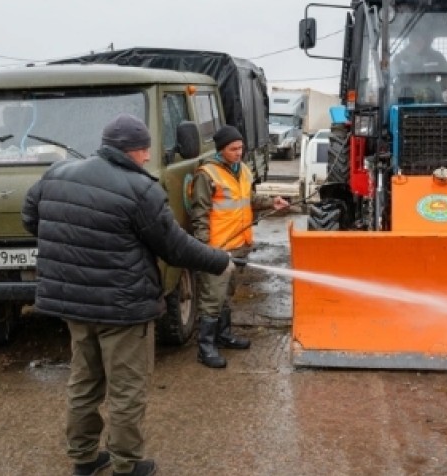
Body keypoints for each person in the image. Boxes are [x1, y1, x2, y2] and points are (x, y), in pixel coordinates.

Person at [22, 114, 234, 476]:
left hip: (74, 304)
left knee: (84, 381)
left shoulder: (57, 174)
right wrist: (220, 261)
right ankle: (126, 465)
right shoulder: (140, 189)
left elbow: (30, 219)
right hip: (123, 310)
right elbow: (175, 248)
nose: (146, 157)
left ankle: (84, 459)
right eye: (146, 150)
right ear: (136, 150)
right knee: (126, 390)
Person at [189, 125, 289, 369]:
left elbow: (249, 200)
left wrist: (270, 202)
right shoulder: (206, 175)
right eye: (233, 149)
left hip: (238, 244)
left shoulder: (243, 170)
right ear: (221, 150)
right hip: (217, 247)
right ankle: (206, 348)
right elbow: (199, 214)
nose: (239, 153)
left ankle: (223, 336)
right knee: (212, 297)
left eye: (241, 148)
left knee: (226, 294)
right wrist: (205, 249)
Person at [390, 27, 447, 102]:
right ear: (411, 40)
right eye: (415, 39)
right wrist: (398, 88)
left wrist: (437, 88)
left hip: (430, 100)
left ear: (425, 40)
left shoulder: (436, 56)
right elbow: (389, 75)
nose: (418, 41)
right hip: (405, 98)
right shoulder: (400, 57)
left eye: (421, 38)